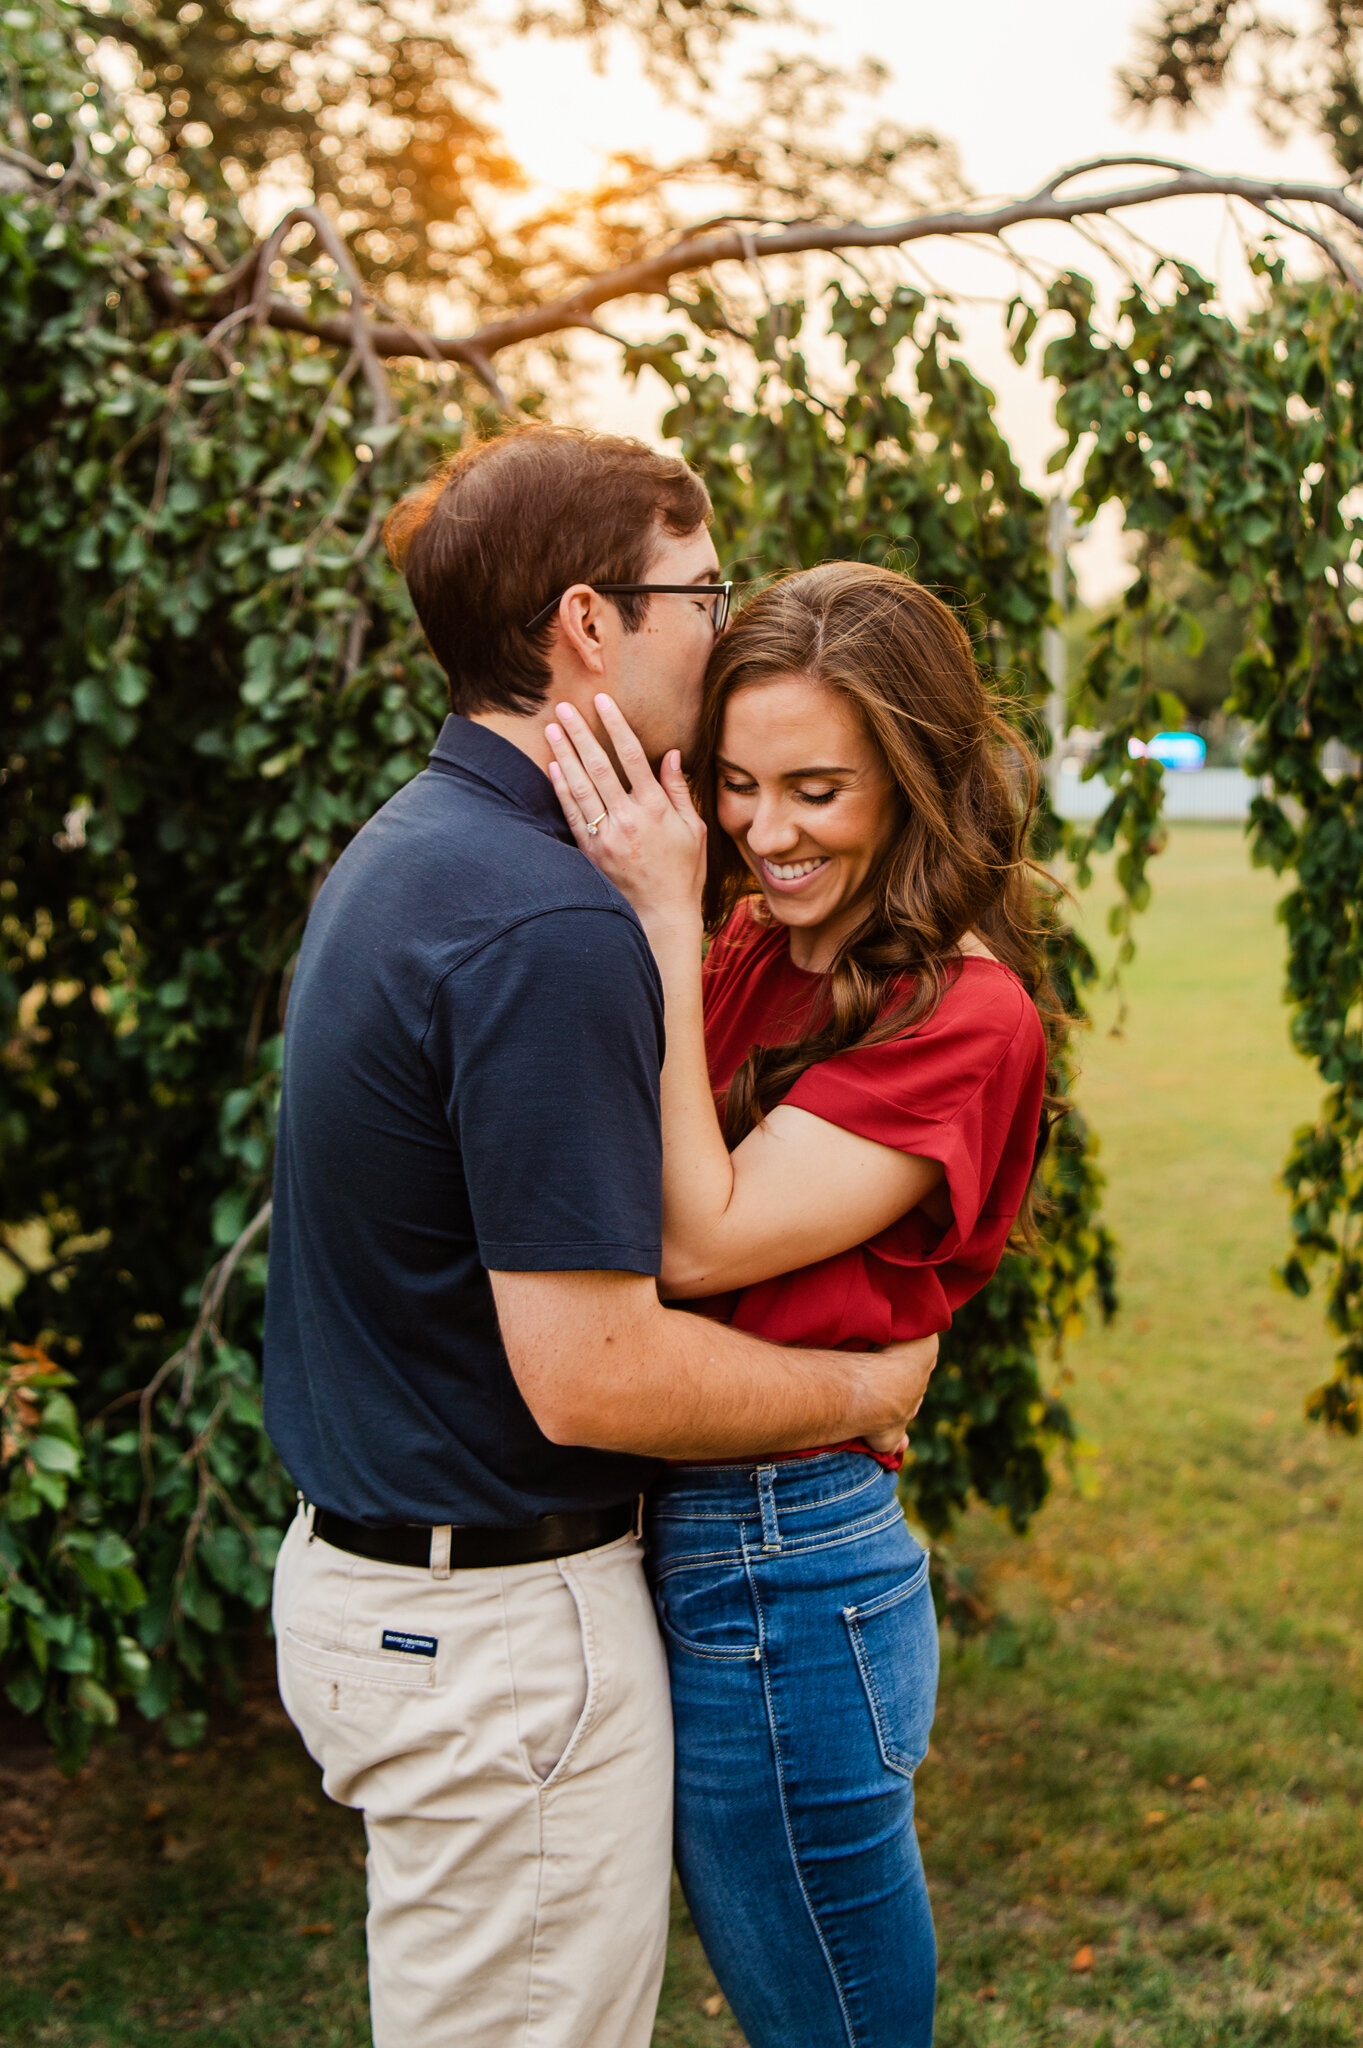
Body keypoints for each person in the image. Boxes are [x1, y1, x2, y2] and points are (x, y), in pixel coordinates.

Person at [262, 428, 939, 2048]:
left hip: (394, 1592)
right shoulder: (543, 923)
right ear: (587, 622)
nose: (723, 623)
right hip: (500, 1643)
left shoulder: (420, 848)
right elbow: (591, 1377)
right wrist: (862, 1393)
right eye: (698, 591)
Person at [546, 558, 1059, 2048]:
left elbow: (694, 1243)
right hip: (705, 1532)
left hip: (784, 1567)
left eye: (818, 791)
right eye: (738, 785)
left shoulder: (966, 1014)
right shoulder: (770, 945)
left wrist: (659, 911)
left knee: (834, 2024)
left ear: (912, 778)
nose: (765, 834)